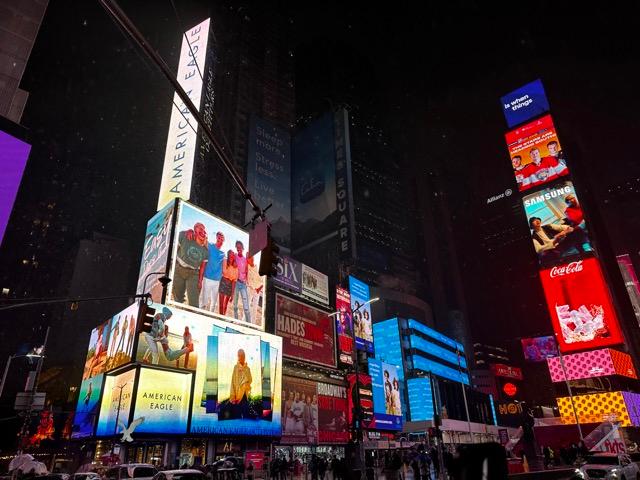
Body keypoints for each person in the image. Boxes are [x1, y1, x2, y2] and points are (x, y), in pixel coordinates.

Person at [173, 222, 209, 307]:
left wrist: (200, 281)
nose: (203, 232)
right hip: (178, 270)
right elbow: (174, 250)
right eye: (200, 229)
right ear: (194, 230)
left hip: (193, 274)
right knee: (178, 298)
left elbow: (202, 268)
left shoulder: (205, 251)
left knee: (194, 303)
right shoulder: (184, 235)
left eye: (204, 231)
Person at [199, 231, 225, 312]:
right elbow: (203, 240)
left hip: (217, 281)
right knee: (204, 300)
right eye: (219, 238)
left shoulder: (223, 254)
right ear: (216, 238)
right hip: (207, 278)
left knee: (214, 303)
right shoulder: (210, 246)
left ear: (223, 240)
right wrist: (204, 234)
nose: (220, 240)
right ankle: (200, 313)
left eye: (222, 239)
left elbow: (224, 268)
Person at [229, 348, 252, 419]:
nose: (240, 357)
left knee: (246, 416)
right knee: (237, 417)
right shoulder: (235, 368)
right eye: (239, 355)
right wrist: (232, 395)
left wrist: (246, 384)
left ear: (244, 356)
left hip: (245, 395)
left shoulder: (247, 369)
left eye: (242, 355)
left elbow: (250, 380)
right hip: (237, 396)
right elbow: (232, 382)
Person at [232, 241, 251, 323]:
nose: (238, 248)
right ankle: (236, 320)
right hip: (236, 282)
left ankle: (248, 323)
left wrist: (247, 281)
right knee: (235, 304)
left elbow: (246, 271)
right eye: (237, 247)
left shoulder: (245, 260)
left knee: (246, 305)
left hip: (243, 284)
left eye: (240, 247)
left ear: (243, 248)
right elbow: (231, 262)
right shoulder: (235, 256)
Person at [218, 250, 238, 316]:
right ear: (228, 255)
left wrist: (232, 294)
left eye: (232, 254)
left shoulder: (236, 267)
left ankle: (223, 316)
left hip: (230, 285)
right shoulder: (225, 261)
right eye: (230, 254)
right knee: (221, 304)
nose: (231, 256)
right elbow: (224, 272)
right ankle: (220, 317)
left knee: (226, 305)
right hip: (223, 282)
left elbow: (234, 280)